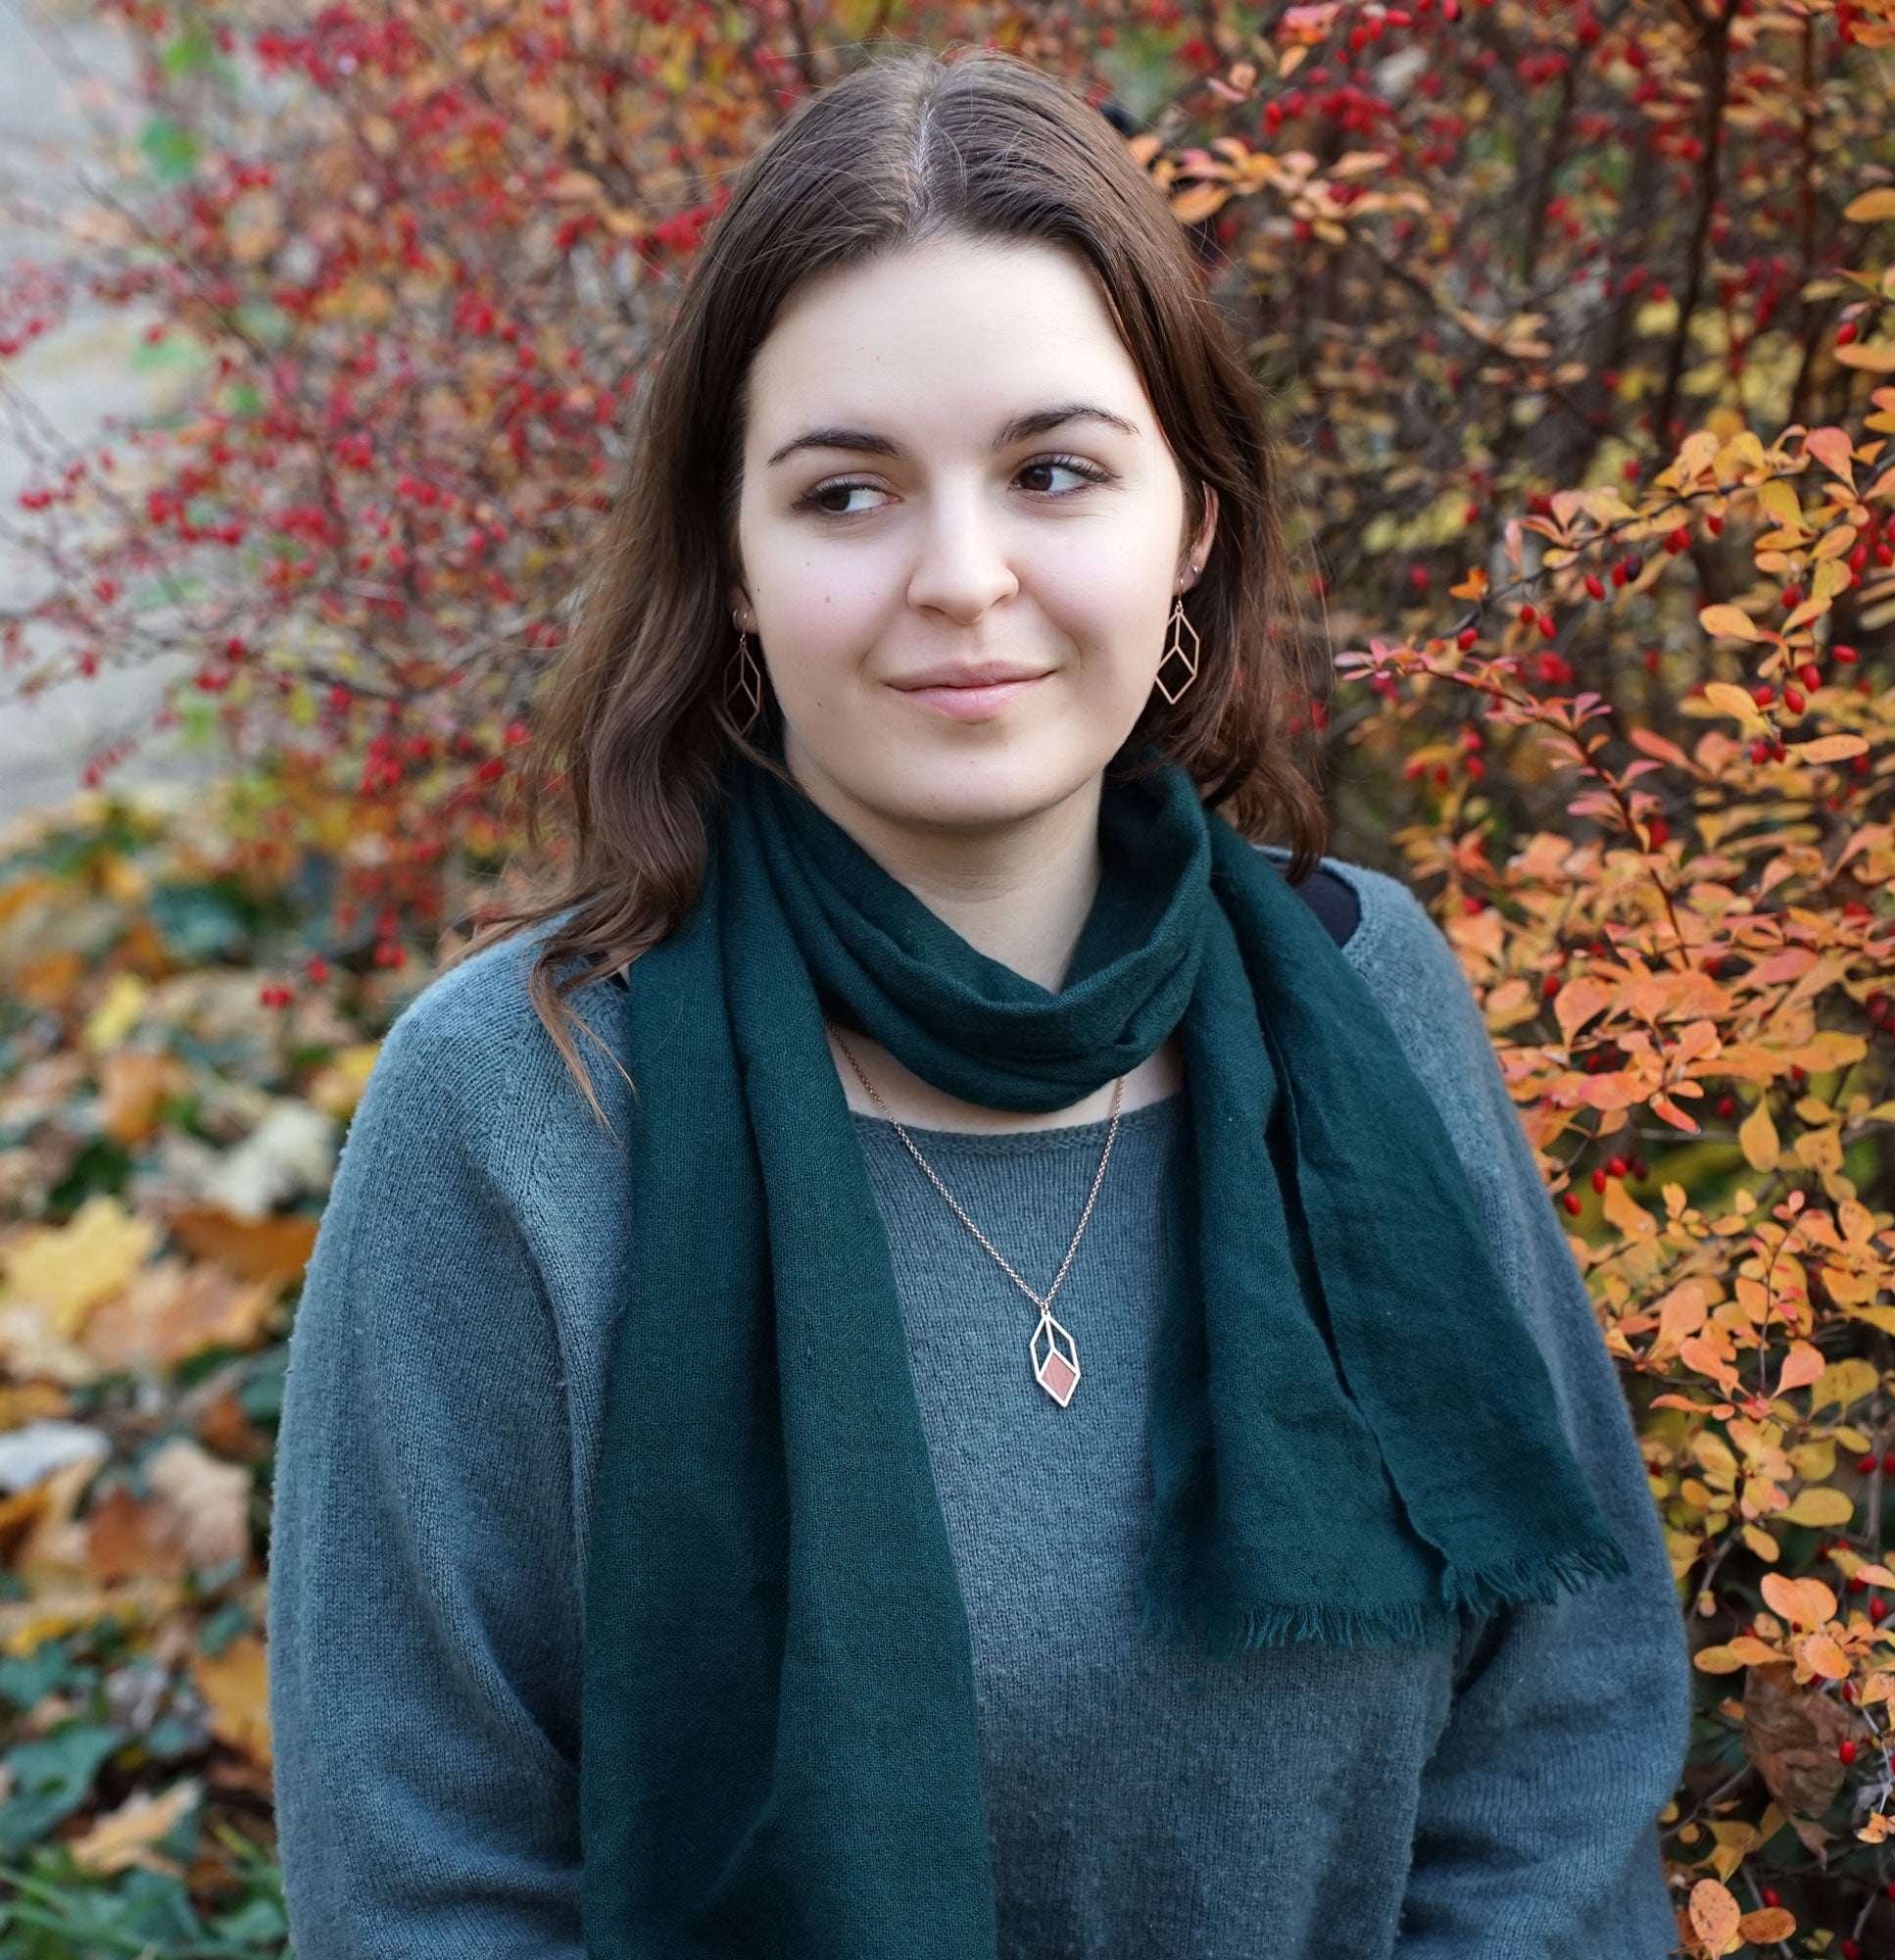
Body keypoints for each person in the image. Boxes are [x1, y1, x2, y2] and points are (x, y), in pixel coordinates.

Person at [266, 40, 1692, 1960]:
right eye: (847, 491)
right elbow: (427, 1880)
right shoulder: (517, 1106)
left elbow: (1560, 1741)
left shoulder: (1365, 1004)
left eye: (1052, 471)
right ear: (736, 559)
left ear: (1188, 523)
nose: (960, 576)